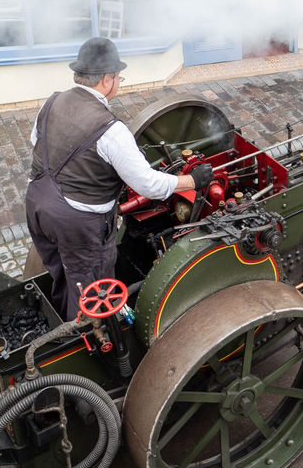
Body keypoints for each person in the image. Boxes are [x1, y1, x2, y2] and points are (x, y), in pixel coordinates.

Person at [26, 37, 211, 320]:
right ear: (107, 79)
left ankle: (61, 313)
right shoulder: (111, 130)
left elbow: (37, 142)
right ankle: (91, 338)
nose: (118, 83)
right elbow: (149, 185)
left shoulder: (51, 103)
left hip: (37, 205)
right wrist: (193, 181)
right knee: (93, 291)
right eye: (118, 78)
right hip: (78, 223)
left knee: (61, 270)